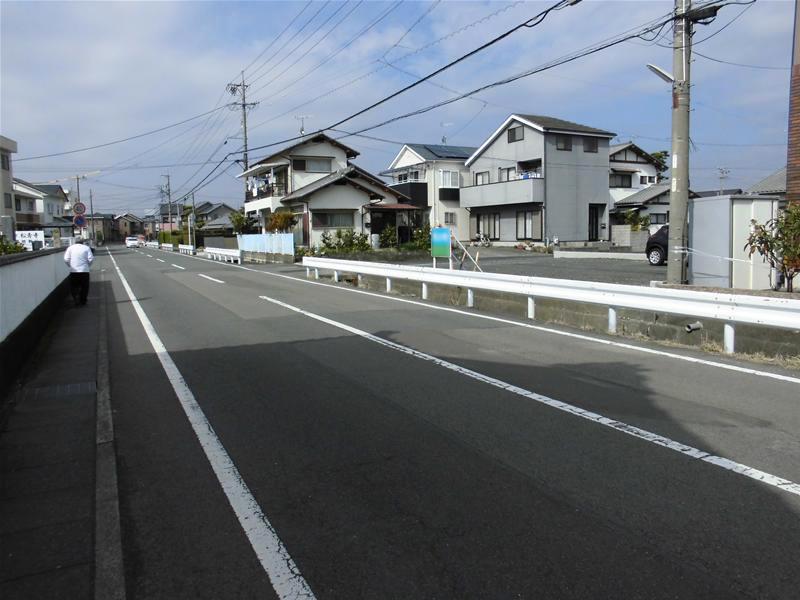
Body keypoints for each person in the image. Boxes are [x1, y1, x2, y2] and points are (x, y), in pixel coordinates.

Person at [64, 237, 94, 306]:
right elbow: (91, 259)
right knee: (84, 287)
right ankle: (83, 301)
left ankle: (76, 299)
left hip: (73, 271)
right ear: (82, 242)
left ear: (75, 242)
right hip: (84, 271)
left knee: (74, 286)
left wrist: (70, 265)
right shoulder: (86, 248)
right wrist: (87, 265)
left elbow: (66, 259)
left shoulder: (70, 248)